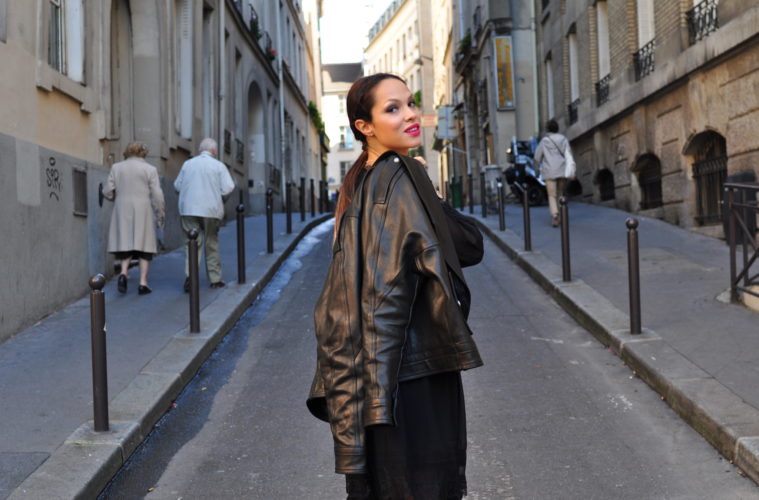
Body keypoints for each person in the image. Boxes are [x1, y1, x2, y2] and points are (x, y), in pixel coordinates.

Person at [306, 73, 484, 499]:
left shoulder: (364, 182)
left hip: (383, 375)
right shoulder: (397, 177)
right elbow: (465, 247)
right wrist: (379, 402)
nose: (410, 115)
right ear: (364, 126)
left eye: (410, 103)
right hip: (411, 375)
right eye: (392, 108)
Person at [103, 142, 165, 295]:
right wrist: (160, 213)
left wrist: (115, 197)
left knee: (126, 244)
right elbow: (157, 195)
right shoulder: (150, 169)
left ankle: (123, 273)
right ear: (144, 153)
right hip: (143, 209)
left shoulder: (116, 167)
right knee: (144, 247)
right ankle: (143, 283)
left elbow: (108, 191)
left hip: (122, 209)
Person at [174, 138, 235, 290]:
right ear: (214, 152)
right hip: (211, 210)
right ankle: (215, 279)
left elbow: (177, 186)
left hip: (188, 209)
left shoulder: (188, 164)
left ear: (200, 150)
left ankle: (190, 277)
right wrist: (221, 198)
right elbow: (228, 187)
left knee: (192, 244)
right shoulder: (219, 165)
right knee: (211, 243)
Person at [534, 119, 575, 227]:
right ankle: (561, 215)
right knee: (560, 193)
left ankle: (555, 214)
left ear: (548, 129)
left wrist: (536, 171)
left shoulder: (544, 141)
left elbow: (537, 157)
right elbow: (568, 155)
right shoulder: (563, 139)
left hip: (549, 171)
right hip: (561, 170)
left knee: (551, 195)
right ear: (557, 128)